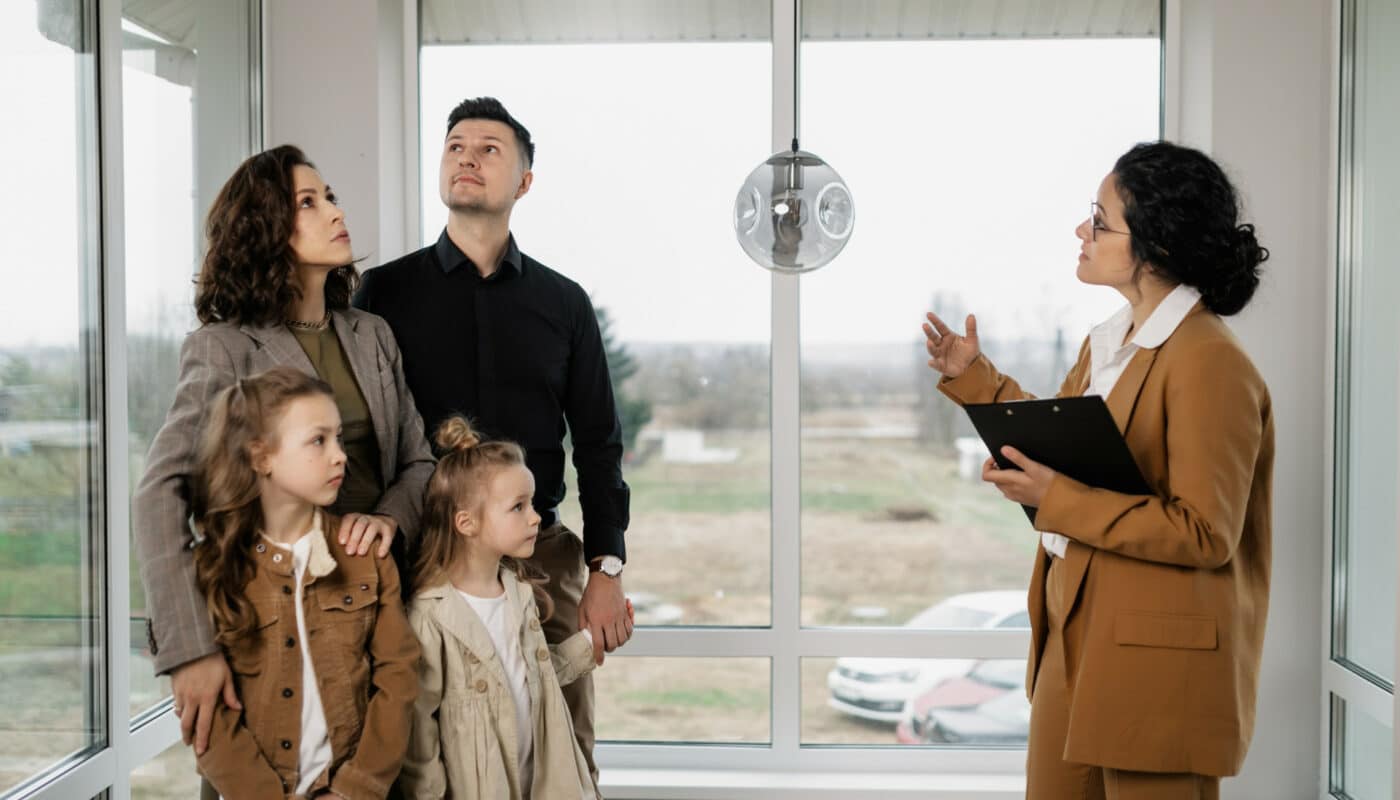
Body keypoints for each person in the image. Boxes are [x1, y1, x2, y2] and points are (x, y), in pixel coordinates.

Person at [924, 141, 1273, 799]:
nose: (1082, 232)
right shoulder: (1109, 343)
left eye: (1100, 220)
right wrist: (974, 379)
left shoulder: (1208, 361)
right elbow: (1072, 447)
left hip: (1158, 666)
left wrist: (1057, 500)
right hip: (1073, 637)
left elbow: (1204, 532)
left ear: (1156, 246)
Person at [354, 97, 632, 787]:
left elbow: (598, 442)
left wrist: (606, 569)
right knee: (420, 765)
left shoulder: (565, 303)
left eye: (488, 148)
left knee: (562, 756)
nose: (467, 157)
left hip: (544, 559)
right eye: (455, 146)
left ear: (525, 182)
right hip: (418, 559)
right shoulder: (381, 294)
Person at [133, 144, 435, 762]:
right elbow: (158, 492)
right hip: (270, 625)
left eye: (330, 196)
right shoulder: (225, 349)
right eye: (308, 201)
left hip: (379, 609)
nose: (332, 210)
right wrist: (191, 649)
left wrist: (389, 520)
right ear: (265, 227)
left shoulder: (371, 334)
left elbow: (419, 463)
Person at [188, 367, 419, 798]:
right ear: (261, 457)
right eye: (318, 440)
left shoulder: (366, 555)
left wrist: (356, 788)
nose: (340, 455)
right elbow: (210, 717)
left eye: (339, 438)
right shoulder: (213, 569)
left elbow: (399, 676)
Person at [402, 417, 632, 799]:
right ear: (467, 522)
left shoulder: (519, 595)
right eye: (518, 507)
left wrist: (588, 644)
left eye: (533, 504)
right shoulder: (431, 616)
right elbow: (419, 736)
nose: (536, 517)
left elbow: (535, 674)